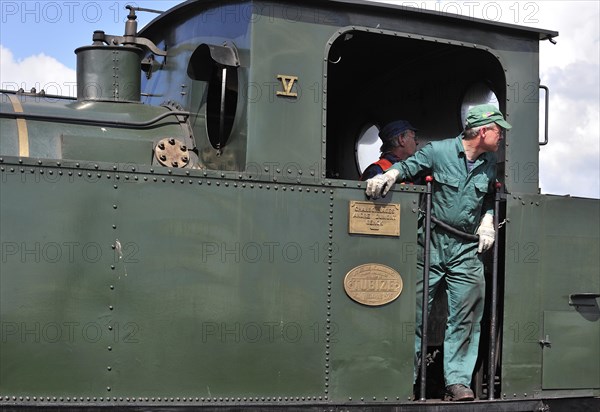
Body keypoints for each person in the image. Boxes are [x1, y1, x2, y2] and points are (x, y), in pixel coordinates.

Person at [365, 104, 511, 401]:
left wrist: (487, 221)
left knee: (467, 314)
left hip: (465, 248)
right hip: (430, 243)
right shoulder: (438, 152)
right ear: (483, 131)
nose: (502, 137)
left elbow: (486, 199)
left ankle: (457, 381)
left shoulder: (489, 162)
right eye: (498, 130)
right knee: (413, 313)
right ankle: (405, 379)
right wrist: (388, 176)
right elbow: (407, 167)